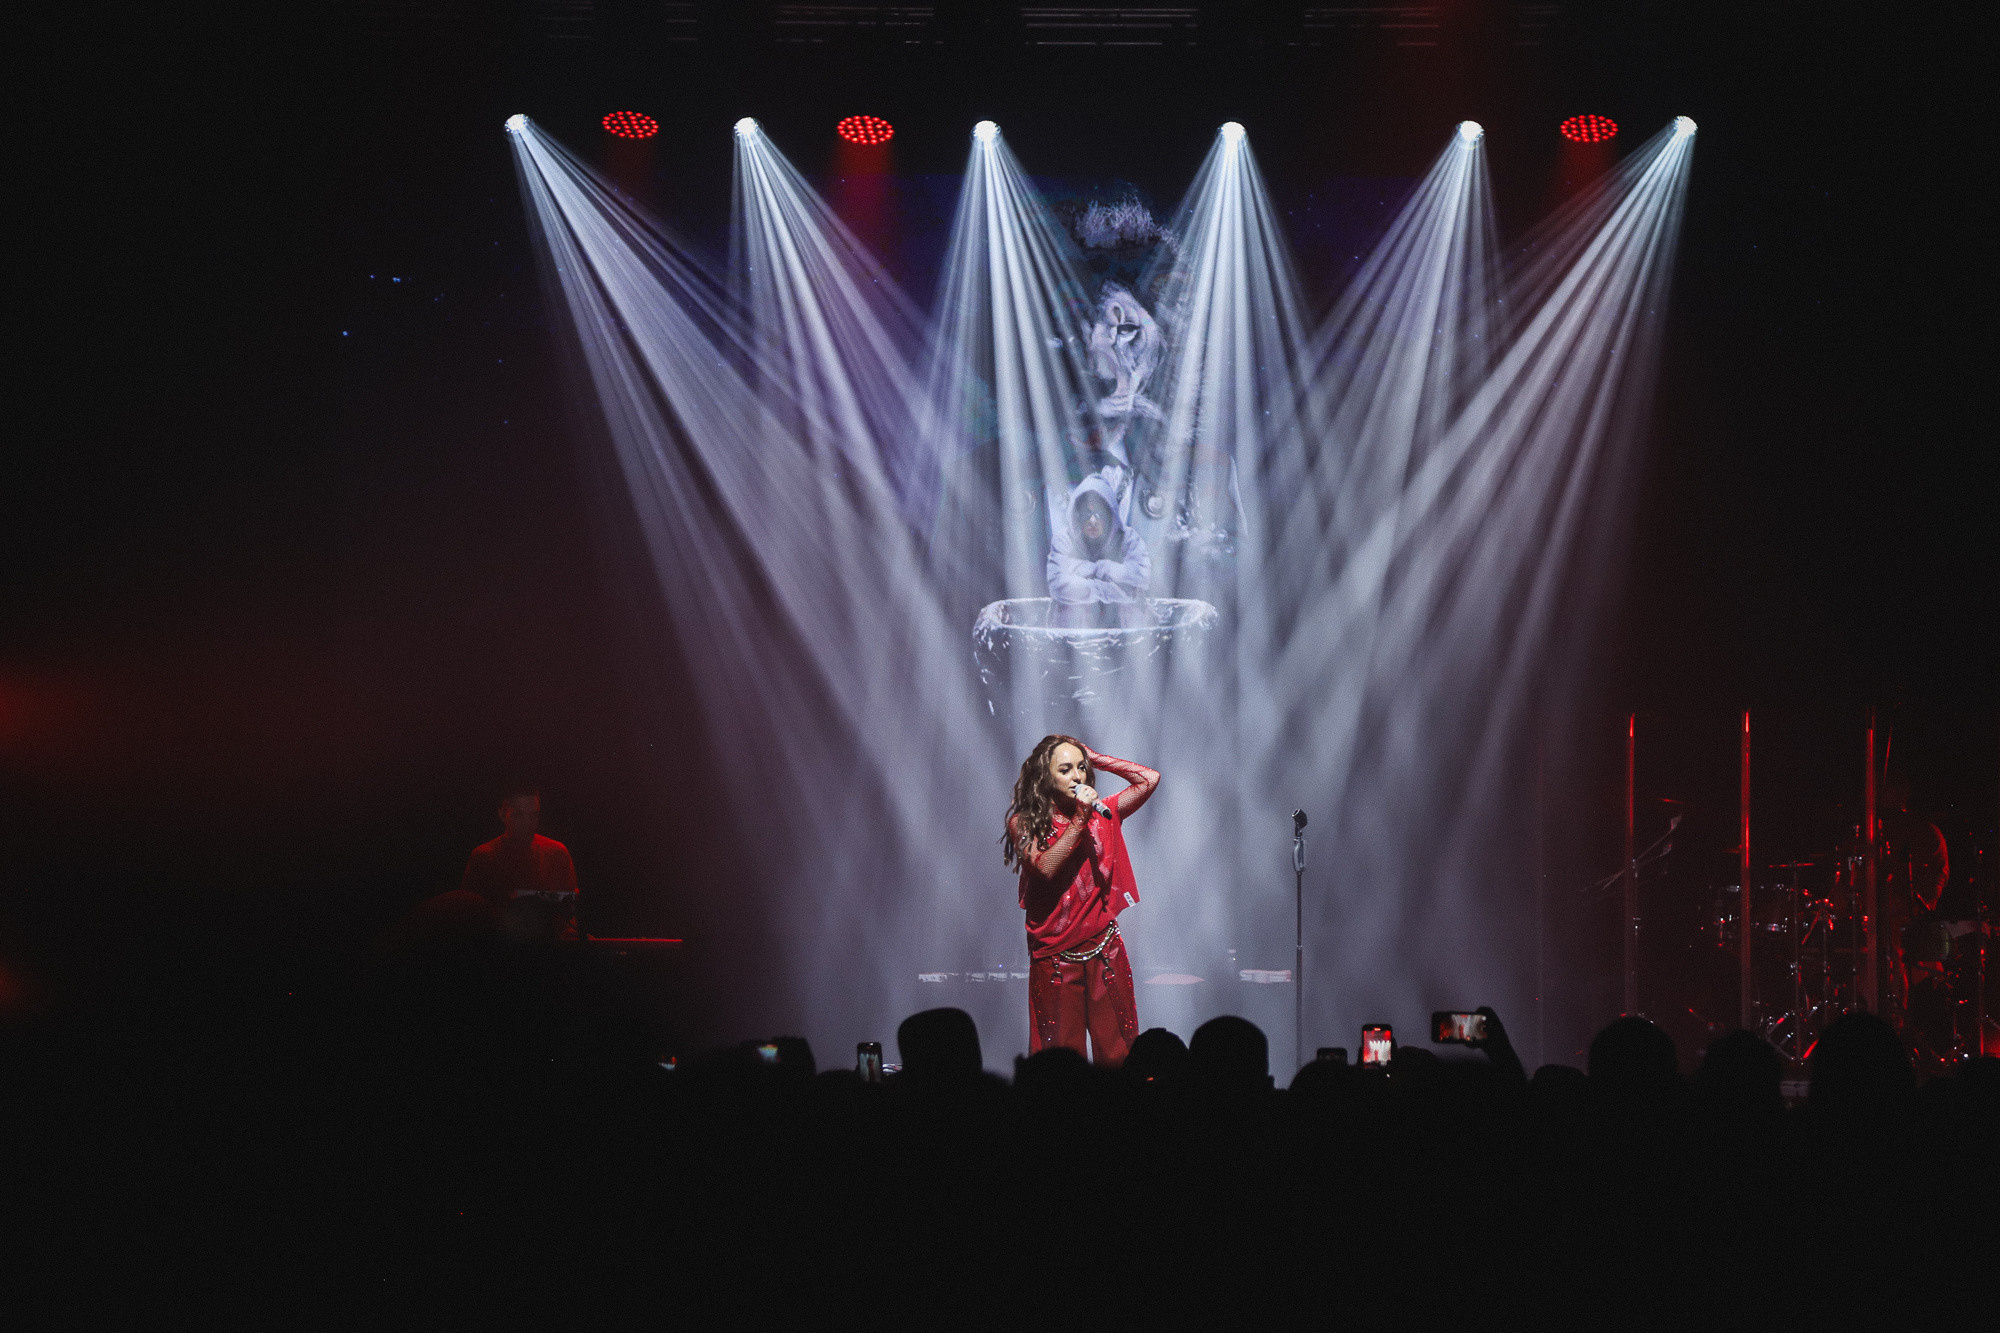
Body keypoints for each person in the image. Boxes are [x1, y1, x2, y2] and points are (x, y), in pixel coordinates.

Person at [1003, 735, 1159, 1064]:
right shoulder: (1023, 823)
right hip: (1055, 959)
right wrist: (1081, 817)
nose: (1078, 776)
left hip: (1105, 951)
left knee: (1119, 1055)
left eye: (1081, 768)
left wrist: (1097, 758)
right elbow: (1045, 867)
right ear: (1044, 777)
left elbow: (1149, 779)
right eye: (1065, 769)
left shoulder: (1103, 813)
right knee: (1060, 1061)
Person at [460, 784, 580, 941]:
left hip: (551, 952)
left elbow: (573, 910)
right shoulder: (483, 857)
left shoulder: (557, 853)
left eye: (533, 816)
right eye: (518, 815)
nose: (527, 823)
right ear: (502, 815)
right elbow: (468, 913)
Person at [1047, 472, 1151, 628]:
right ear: (1077, 515)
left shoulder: (1129, 538)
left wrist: (1104, 568)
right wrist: (1108, 590)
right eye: (1087, 514)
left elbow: (1141, 577)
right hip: (1073, 633)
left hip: (1124, 633)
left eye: (1099, 513)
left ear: (1110, 514)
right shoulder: (1064, 539)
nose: (1093, 521)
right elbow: (1057, 583)